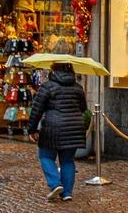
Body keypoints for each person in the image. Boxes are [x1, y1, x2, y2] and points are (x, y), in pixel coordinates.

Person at [27, 61, 89, 202]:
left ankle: (55, 183)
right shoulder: (78, 88)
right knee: (67, 160)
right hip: (74, 127)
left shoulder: (47, 87)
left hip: (52, 128)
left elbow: (37, 110)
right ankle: (67, 192)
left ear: (53, 70)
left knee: (46, 156)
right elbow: (83, 108)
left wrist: (31, 129)